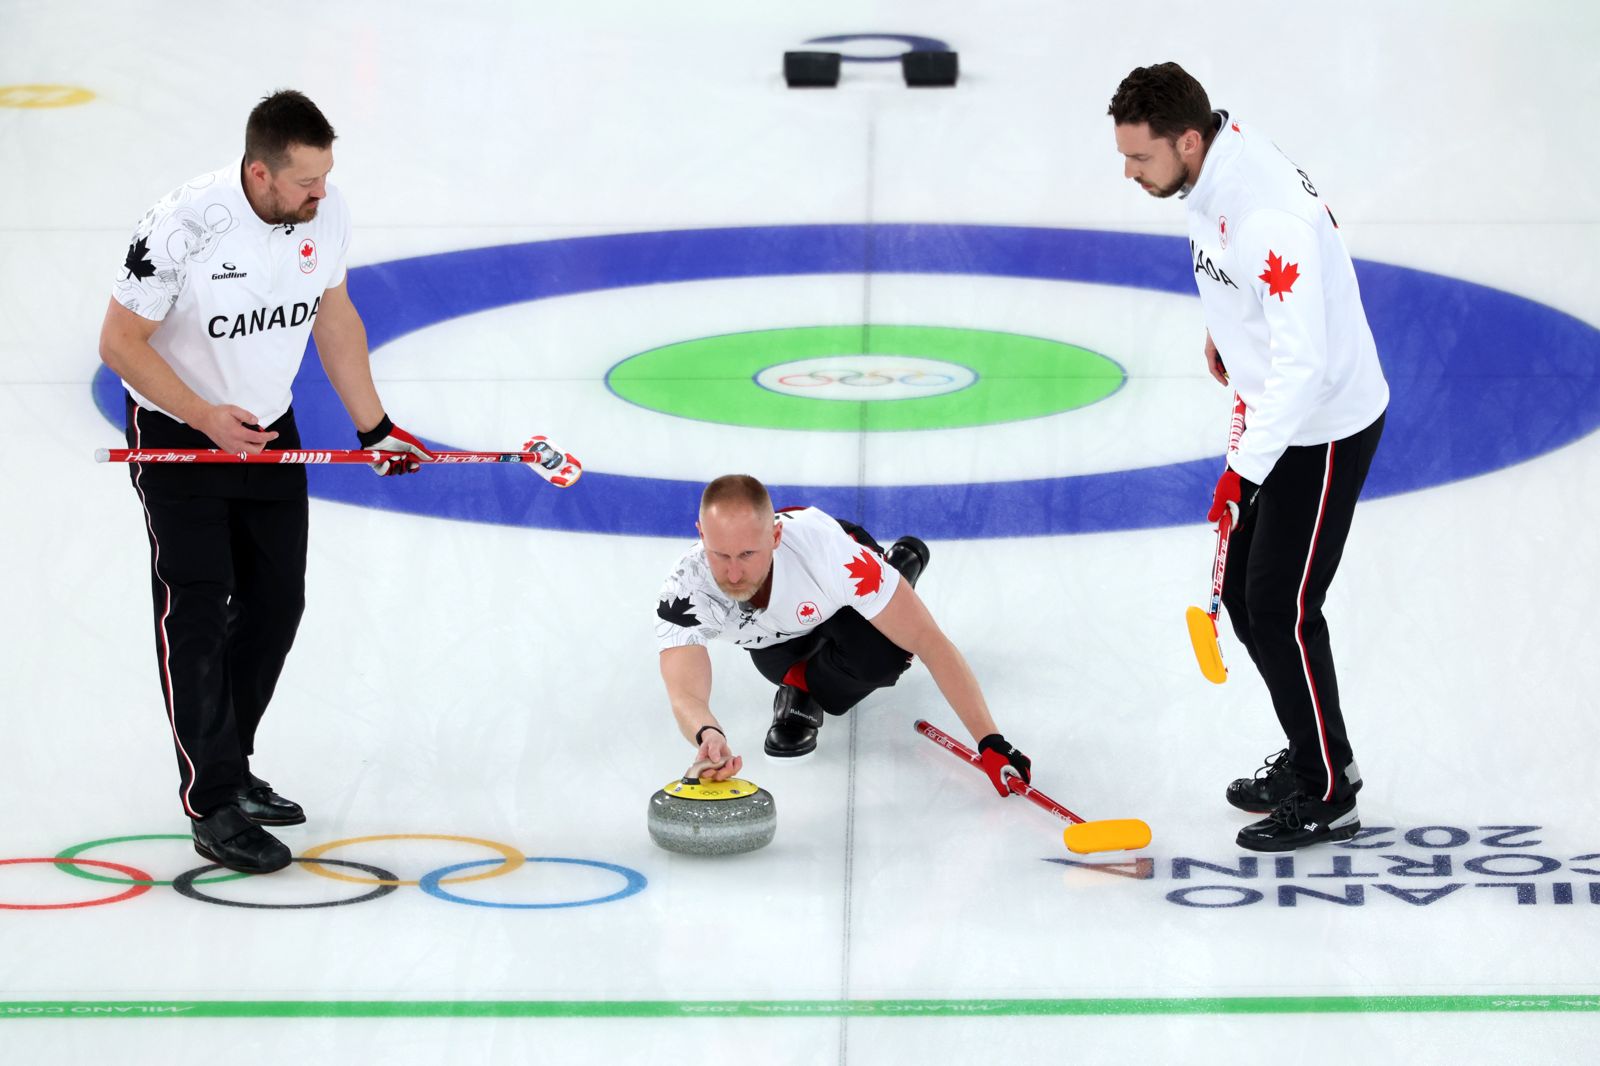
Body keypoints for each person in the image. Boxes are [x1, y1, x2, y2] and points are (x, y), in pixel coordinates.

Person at [98, 90, 430, 874]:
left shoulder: (324, 213)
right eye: (307, 181)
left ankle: (233, 762)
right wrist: (204, 415)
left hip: (268, 429)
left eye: (327, 178)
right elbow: (119, 341)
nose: (323, 194)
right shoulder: (180, 226)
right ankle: (211, 801)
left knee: (278, 600)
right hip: (183, 434)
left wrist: (375, 428)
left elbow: (335, 315)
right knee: (199, 610)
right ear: (260, 173)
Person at [1108, 63, 1389, 851]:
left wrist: (1245, 469)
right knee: (1243, 592)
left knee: (1283, 609)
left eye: (1140, 159)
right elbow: (1239, 281)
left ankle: (1331, 790)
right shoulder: (1205, 176)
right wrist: (1228, 330)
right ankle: (1311, 758)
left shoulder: (1266, 213)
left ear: (1188, 140)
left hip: (1320, 426)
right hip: (1279, 414)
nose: (1129, 174)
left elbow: (1308, 364)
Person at [654, 475, 1032, 797]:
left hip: (839, 593)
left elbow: (927, 639)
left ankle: (894, 574)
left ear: (776, 535)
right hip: (778, 638)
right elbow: (685, 693)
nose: (734, 574)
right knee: (781, 670)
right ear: (701, 534)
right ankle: (807, 680)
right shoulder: (687, 588)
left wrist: (990, 741)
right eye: (721, 554)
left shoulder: (831, 558)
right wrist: (707, 734)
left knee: (884, 655)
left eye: (748, 554)